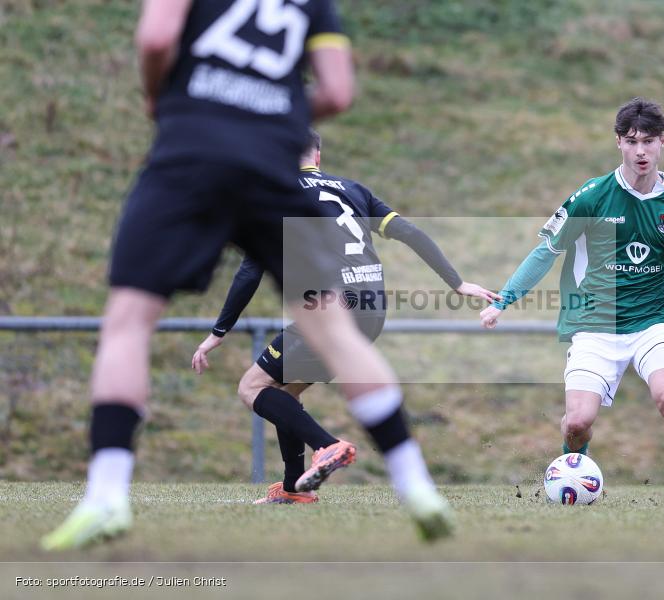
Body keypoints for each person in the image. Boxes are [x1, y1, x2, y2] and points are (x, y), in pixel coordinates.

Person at [43, 0, 452, 550]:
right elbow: (337, 92)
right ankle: (416, 485)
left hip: (190, 154)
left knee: (129, 322)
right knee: (330, 330)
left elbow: (156, 40)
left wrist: (162, 99)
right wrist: (272, 114)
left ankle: (105, 495)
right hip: (268, 168)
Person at [191, 131, 499, 505]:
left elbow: (250, 270)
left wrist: (219, 331)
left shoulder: (279, 195)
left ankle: (328, 445)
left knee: (252, 388)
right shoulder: (352, 190)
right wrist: (457, 283)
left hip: (330, 310)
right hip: (372, 310)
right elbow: (410, 232)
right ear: (317, 156)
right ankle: (293, 489)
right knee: (286, 394)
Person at [480, 98, 664, 508]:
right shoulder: (592, 196)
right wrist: (504, 299)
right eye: (631, 141)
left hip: (653, 321)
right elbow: (546, 251)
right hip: (595, 321)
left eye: (648, 141)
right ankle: (574, 475)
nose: (640, 151)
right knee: (578, 422)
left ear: (663, 142)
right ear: (618, 143)